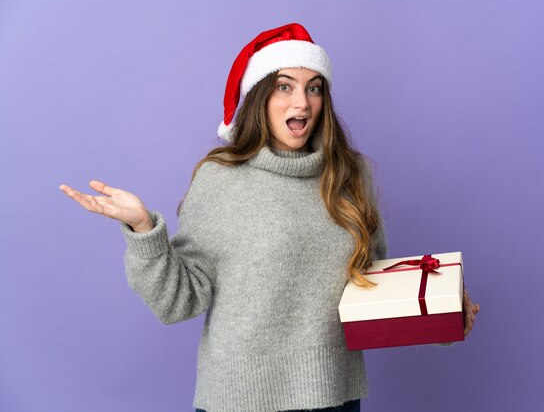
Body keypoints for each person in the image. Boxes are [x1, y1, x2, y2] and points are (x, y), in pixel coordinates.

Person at [59, 23, 480, 412]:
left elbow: (371, 285)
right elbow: (179, 301)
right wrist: (144, 229)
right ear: (260, 96)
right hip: (239, 402)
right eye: (285, 87)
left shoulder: (352, 175)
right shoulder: (221, 178)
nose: (302, 101)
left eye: (314, 88)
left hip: (335, 397)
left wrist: (441, 317)